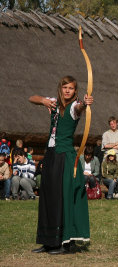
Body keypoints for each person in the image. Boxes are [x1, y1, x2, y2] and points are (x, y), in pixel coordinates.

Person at [29, 75, 92, 254]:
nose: (67, 91)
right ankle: (49, 241)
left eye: (71, 88)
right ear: (60, 88)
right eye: (65, 87)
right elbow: (31, 98)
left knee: (61, 197)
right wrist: (43, 101)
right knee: (48, 196)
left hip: (65, 156)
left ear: (75, 91)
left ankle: (66, 242)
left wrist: (85, 103)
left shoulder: (74, 107)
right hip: (51, 155)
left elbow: (80, 108)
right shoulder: (54, 103)